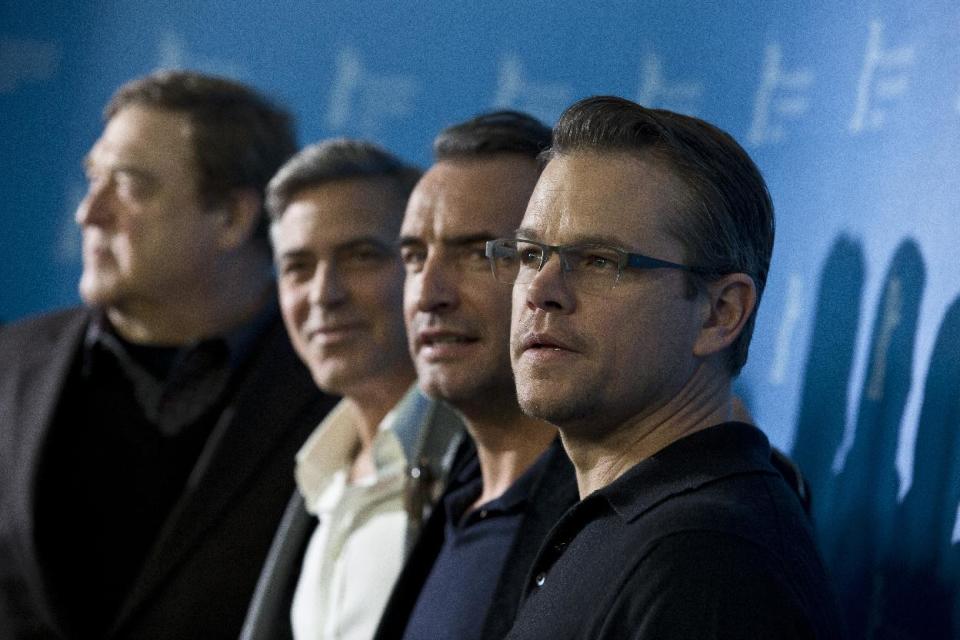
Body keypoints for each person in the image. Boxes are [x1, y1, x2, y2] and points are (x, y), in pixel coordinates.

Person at [0, 70, 338, 639]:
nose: (89, 213)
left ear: (233, 217)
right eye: (93, 179)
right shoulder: (10, 364)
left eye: (129, 185)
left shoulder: (333, 394)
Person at [496, 96, 845, 639]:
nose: (541, 291)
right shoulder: (637, 526)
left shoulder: (710, 560)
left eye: (600, 261)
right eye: (530, 254)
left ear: (719, 313)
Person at [240, 139, 464, 640]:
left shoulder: (481, 465)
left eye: (361, 256)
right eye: (298, 267)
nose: (324, 294)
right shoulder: (316, 477)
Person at [373, 111, 580, 640]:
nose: (428, 294)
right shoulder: (446, 496)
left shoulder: (605, 520)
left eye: (478, 253)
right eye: (414, 256)